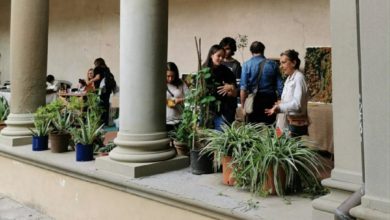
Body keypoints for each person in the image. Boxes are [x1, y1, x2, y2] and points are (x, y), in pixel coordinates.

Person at [265, 49, 309, 137]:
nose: (281, 66)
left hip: (294, 125)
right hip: (285, 122)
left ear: (293, 63)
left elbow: (297, 105)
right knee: (279, 143)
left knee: (290, 149)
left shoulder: (299, 78)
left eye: (283, 62)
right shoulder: (289, 78)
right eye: (280, 63)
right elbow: (289, 100)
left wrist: (280, 107)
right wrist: (281, 103)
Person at [240, 41, 284, 125]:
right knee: (270, 127)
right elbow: (280, 86)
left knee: (253, 129)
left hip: (254, 100)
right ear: (263, 50)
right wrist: (280, 101)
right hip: (270, 99)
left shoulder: (246, 65)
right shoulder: (273, 64)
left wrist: (242, 106)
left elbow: (243, 88)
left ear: (251, 51)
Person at [202, 44, 237, 131]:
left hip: (224, 111)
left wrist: (231, 87)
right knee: (205, 137)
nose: (221, 59)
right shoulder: (203, 70)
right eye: (218, 56)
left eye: (223, 56)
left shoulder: (227, 71)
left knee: (220, 137)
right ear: (211, 55)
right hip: (207, 110)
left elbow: (235, 93)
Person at [166, 62, 188, 132]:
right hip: (165, 121)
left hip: (179, 119)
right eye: (168, 76)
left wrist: (181, 100)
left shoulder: (180, 83)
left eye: (172, 76)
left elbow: (190, 97)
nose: (170, 78)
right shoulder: (159, 83)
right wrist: (173, 102)